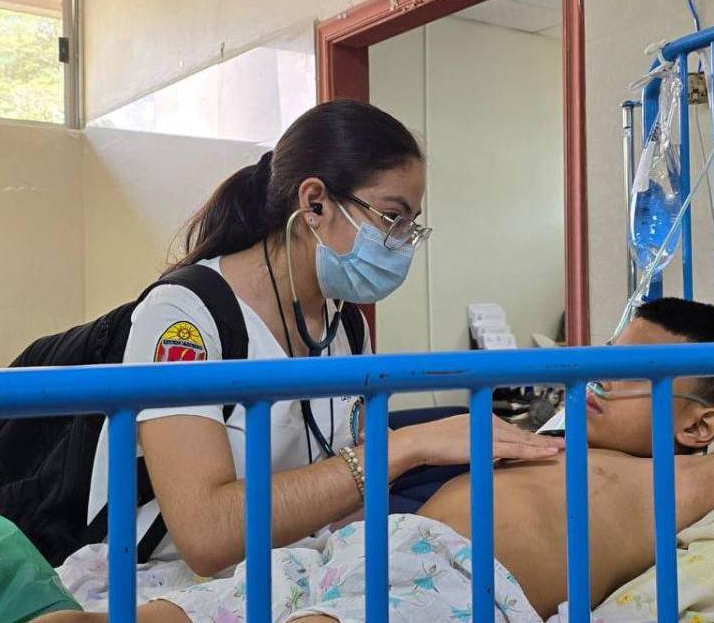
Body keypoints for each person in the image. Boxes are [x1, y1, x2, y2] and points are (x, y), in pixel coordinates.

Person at [39, 298, 714, 622]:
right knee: (169, 612)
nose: (593, 379)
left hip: (458, 585)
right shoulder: (545, 446)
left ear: (697, 424)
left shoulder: (686, 478)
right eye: (599, 358)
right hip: (358, 550)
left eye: (627, 374)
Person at [83, 99, 562, 575]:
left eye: (411, 226)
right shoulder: (184, 316)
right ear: (314, 203)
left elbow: (352, 502)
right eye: (392, 218)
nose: (402, 244)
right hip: (173, 585)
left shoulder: (346, 325)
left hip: (297, 574)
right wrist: (407, 446)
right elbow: (206, 534)